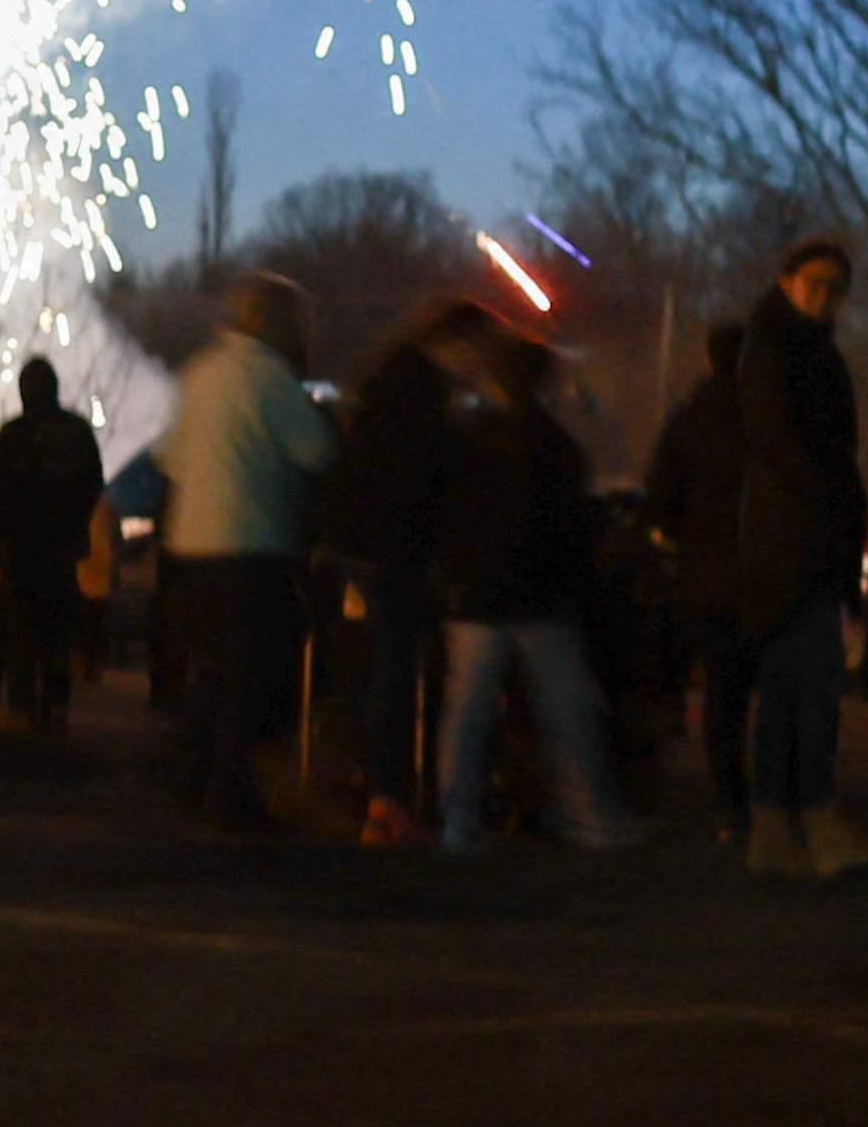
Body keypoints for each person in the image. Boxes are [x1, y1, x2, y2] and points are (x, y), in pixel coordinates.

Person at [425, 323, 644, 851]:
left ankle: (456, 822)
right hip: (541, 600)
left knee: (468, 714)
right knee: (567, 712)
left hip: (476, 598)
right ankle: (588, 817)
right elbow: (575, 526)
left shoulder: (467, 441)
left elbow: (445, 515)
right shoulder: (557, 448)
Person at [729, 237, 868, 877]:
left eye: (834, 287)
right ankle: (808, 820)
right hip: (799, 548)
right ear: (789, 279)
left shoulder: (779, 346)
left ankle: (781, 825)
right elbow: (789, 450)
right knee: (808, 691)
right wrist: (831, 507)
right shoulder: (783, 351)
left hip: (789, 546)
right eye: (816, 284)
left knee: (791, 691)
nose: (826, 297)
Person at [155, 275, 340, 835]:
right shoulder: (273, 380)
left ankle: (193, 776)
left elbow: (167, 457)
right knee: (247, 676)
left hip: (190, 548)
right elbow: (318, 453)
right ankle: (231, 793)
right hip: (252, 548)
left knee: (209, 675)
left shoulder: (197, 374)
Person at [315, 302, 485, 848]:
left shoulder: (389, 382)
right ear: (457, 345)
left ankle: (371, 787)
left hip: (358, 543)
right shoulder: (421, 393)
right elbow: (420, 481)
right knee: (396, 671)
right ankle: (387, 801)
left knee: (373, 669)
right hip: (391, 550)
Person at [641, 320, 756, 846]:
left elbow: (660, 497)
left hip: (708, 577)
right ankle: (784, 802)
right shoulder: (769, 419)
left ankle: (733, 807)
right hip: (765, 572)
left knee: (723, 698)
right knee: (775, 692)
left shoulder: (688, 421)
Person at [0, 354, 108, 742]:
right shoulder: (77, 433)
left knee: (22, 629)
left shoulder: (13, 436)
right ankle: (56, 705)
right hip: (62, 549)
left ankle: (22, 703)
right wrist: (74, 523)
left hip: (22, 549)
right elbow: (93, 483)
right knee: (57, 630)